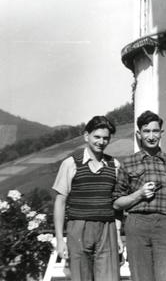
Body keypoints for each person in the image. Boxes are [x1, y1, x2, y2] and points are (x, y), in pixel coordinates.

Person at [113, 110, 166, 281]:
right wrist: (139, 194)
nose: (151, 136)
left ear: (161, 133)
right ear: (139, 134)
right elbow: (116, 202)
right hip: (137, 224)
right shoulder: (129, 162)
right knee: (141, 277)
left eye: (155, 131)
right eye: (146, 131)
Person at [53, 116, 122, 281]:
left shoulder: (115, 165)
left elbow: (118, 203)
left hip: (107, 227)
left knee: (109, 277)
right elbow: (60, 202)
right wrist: (60, 239)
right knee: (81, 277)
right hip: (78, 227)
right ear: (86, 136)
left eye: (105, 138)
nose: (101, 141)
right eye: (97, 137)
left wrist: (117, 233)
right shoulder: (71, 164)